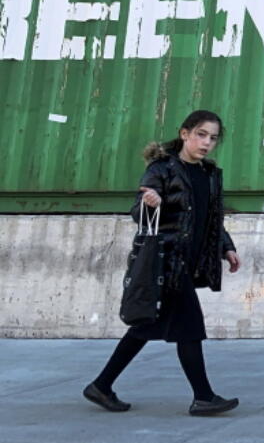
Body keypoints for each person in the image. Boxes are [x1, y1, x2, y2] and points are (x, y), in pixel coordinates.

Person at [84, 110, 242, 416]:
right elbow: (137, 213)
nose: (207, 142)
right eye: (201, 134)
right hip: (166, 263)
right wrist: (149, 203)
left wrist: (226, 247)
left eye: (213, 137)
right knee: (190, 328)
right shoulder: (163, 169)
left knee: (144, 327)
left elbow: (211, 220)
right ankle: (204, 397)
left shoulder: (209, 174)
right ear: (184, 134)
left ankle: (101, 386)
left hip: (189, 261)